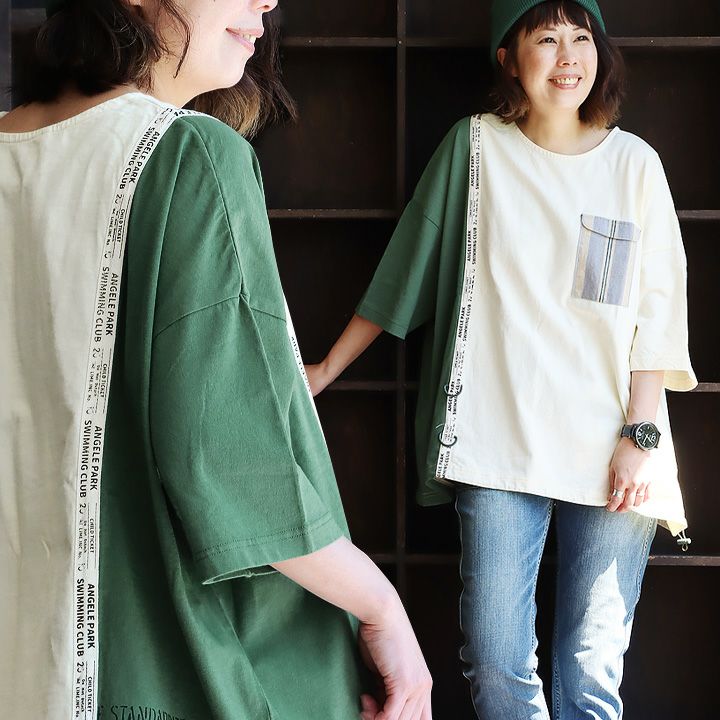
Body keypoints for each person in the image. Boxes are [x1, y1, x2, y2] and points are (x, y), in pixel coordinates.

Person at [0, 1, 433, 719]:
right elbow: (234, 465)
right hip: (168, 667)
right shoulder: (190, 155)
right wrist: (381, 605)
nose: (266, 1)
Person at [306, 1, 696, 718]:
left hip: (616, 444)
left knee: (591, 671)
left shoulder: (634, 164)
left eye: (581, 37)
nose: (568, 56)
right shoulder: (476, 148)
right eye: (546, 38)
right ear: (509, 58)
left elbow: (659, 309)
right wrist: (327, 368)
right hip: (497, 442)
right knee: (494, 663)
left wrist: (640, 434)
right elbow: (407, 266)